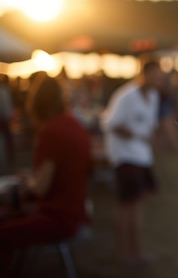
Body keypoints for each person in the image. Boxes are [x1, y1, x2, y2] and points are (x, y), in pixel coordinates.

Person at [0, 75, 91, 274]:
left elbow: (41, 187)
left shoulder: (50, 131)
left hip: (58, 218)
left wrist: (29, 182)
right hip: (77, 212)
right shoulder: (76, 126)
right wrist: (34, 177)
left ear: (36, 104)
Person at [100, 59, 164, 264]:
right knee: (126, 205)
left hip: (143, 156)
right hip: (125, 156)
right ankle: (125, 253)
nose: (158, 79)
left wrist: (152, 140)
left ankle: (136, 252)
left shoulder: (153, 96)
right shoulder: (126, 95)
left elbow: (151, 126)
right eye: (154, 74)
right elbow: (111, 123)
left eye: (159, 75)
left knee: (138, 205)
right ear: (143, 74)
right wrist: (136, 134)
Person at [0, 74, 15, 171]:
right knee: (6, 140)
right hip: (3, 119)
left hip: (4, 119)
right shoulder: (4, 91)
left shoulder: (4, 91)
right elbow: (6, 107)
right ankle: (8, 160)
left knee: (4, 140)